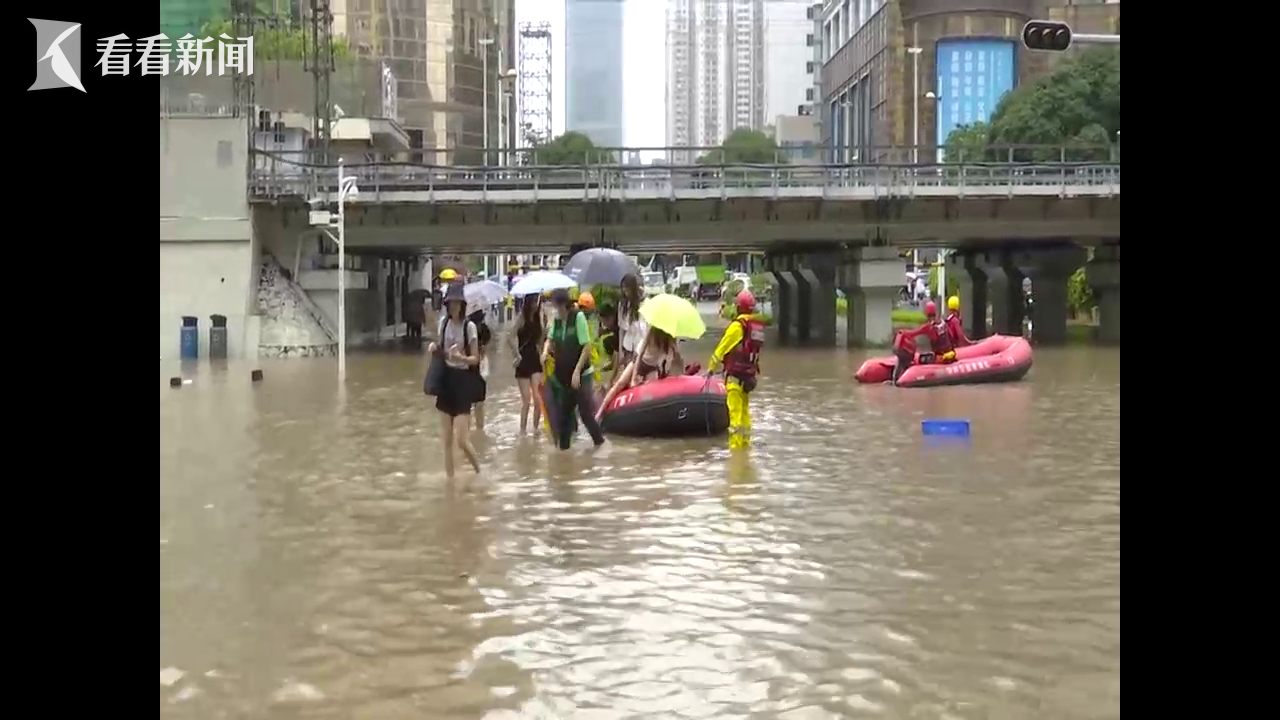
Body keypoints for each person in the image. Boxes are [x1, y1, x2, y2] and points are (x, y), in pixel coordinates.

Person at [541, 288, 606, 450]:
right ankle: (564, 455)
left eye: (555, 306)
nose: (554, 310)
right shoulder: (556, 320)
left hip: (581, 374)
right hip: (564, 376)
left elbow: (587, 347)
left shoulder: (578, 318)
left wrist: (577, 371)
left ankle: (600, 444)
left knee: (585, 415)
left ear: (562, 305)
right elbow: (550, 339)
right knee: (564, 417)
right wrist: (545, 351)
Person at [428, 283, 481, 480]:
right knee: (447, 441)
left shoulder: (470, 327)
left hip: (463, 382)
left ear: (462, 304)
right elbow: (442, 349)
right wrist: (435, 347)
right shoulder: (443, 323)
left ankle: (479, 472)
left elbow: (476, 358)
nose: (453, 307)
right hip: (446, 380)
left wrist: (461, 358)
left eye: (457, 303)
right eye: (450, 303)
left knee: (461, 440)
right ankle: (450, 482)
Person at [707, 290, 765, 450]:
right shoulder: (756, 327)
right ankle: (746, 449)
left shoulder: (737, 327)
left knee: (735, 417)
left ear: (738, 307)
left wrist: (711, 368)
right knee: (745, 415)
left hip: (734, 378)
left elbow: (721, 349)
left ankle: (736, 454)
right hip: (748, 378)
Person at [595, 325, 681, 421]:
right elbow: (640, 355)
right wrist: (633, 378)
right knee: (619, 384)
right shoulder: (652, 331)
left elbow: (674, 361)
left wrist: (677, 356)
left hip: (652, 367)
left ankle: (646, 418)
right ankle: (600, 413)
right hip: (639, 361)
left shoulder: (670, 338)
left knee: (651, 392)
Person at [893, 301, 957, 384]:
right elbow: (952, 338)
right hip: (951, 356)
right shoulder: (944, 323)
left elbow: (913, 333)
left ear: (926, 313)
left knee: (921, 359)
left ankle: (897, 378)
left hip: (940, 359)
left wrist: (902, 332)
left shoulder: (928, 327)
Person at [510, 293, 545, 434]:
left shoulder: (539, 317)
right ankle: (522, 431)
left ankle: (535, 429)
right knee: (526, 399)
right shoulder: (521, 317)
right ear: (528, 302)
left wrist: (544, 329)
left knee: (537, 399)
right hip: (523, 360)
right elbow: (509, 336)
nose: (536, 304)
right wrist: (516, 354)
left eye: (537, 301)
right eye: (534, 301)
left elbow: (540, 341)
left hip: (535, 360)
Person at [615, 273, 648, 381]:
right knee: (628, 375)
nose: (625, 291)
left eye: (627, 288)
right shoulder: (623, 304)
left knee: (639, 375)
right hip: (628, 345)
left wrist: (641, 347)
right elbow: (622, 328)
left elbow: (646, 327)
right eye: (623, 288)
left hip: (641, 344)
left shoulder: (644, 303)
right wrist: (620, 350)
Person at [467, 306, 494, 431]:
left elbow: (487, 341)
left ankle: (477, 429)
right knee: (475, 403)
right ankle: (477, 428)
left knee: (476, 403)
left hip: (475, 368)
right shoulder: (469, 329)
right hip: (472, 368)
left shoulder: (480, 329)